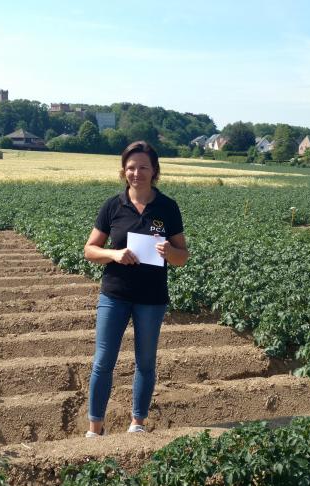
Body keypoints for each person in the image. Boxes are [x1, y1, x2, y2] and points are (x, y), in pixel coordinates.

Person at [82, 140, 189, 437]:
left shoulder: (167, 207)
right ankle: (95, 428)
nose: (136, 173)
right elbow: (90, 250)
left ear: (154, 170)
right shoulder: (113, 206)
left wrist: (169, 252)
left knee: (145, 362)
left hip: (151, 299)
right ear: (123, 171)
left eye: (143, 167)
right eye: (131, 167)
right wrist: (113, 254)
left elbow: (183, 257)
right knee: (103, 361)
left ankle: (137, 424)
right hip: (114, 294)